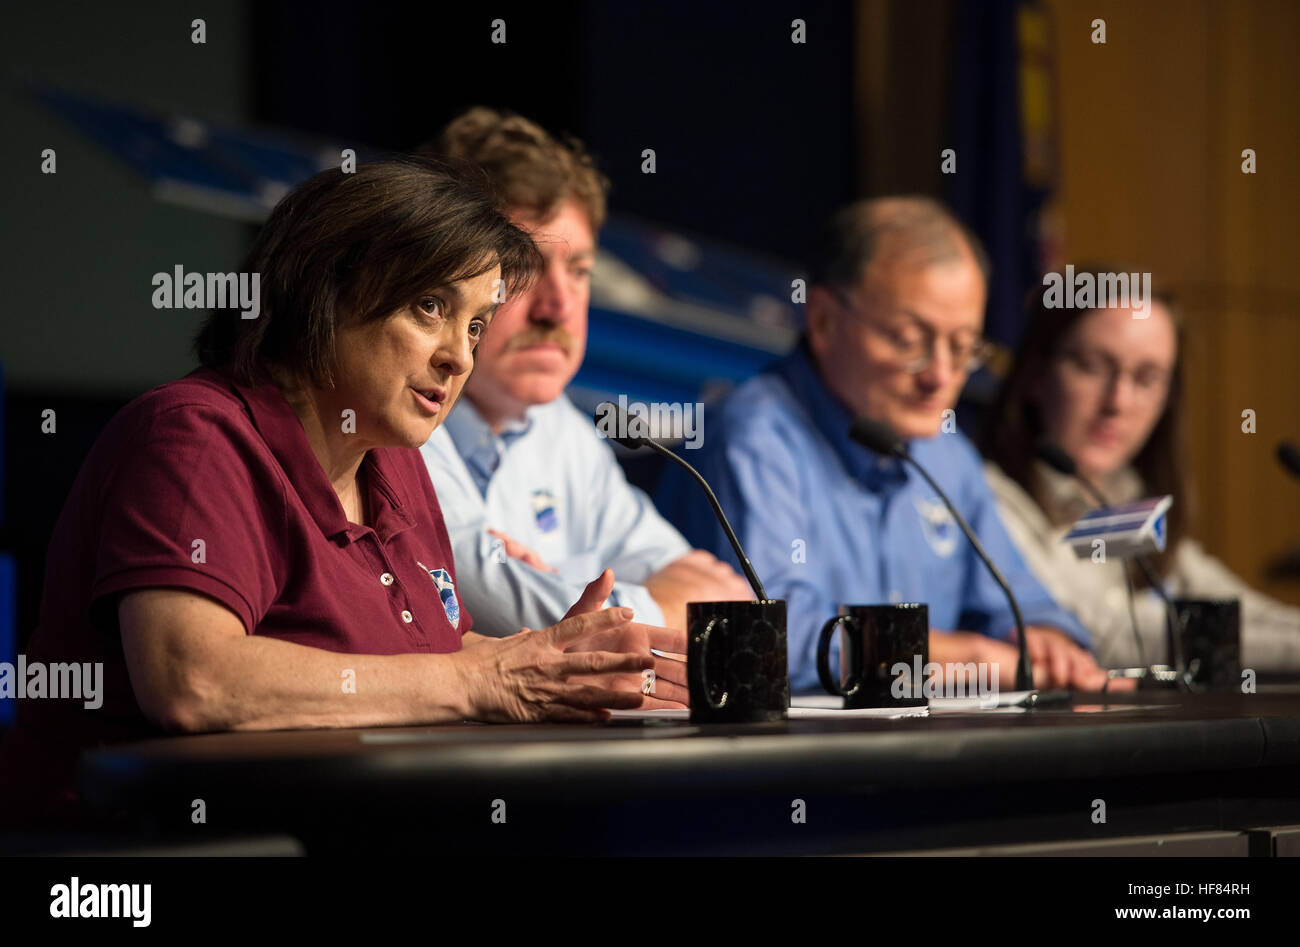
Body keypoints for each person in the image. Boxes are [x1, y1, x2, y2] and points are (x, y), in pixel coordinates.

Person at [0, 157, 683, 825]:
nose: (460, 355)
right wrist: (484, 680)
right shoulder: (196, 438)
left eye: (475, 324)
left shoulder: (394, 462)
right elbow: (193, 680)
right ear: (320, 295)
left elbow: (431, 655)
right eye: (429, 306)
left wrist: (553, 660)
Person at [659, 196, 1109, 694]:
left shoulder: (945, 453)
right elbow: (770, 639)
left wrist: (1046, 637)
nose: (939, 376)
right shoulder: (753, 440)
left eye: (963, 347)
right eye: (910, 341)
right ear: (825, 320)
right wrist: (973, 657)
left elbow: (1022, 602)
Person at [418, 109, 750, 643]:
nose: (557, 307)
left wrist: (582, 601)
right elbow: (493, 608)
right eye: (522, 268)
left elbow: (712, 597)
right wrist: (659, 607)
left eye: (578, 273)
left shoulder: (560, 427)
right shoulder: (401, 420)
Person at [982, 276, 1300, 671]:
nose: (1118, 401)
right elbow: (1103, 638)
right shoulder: (986, 496)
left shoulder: (1121, 499)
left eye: (1147, 377)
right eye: (1093, 367)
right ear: (1036, 374)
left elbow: (1237, 610)